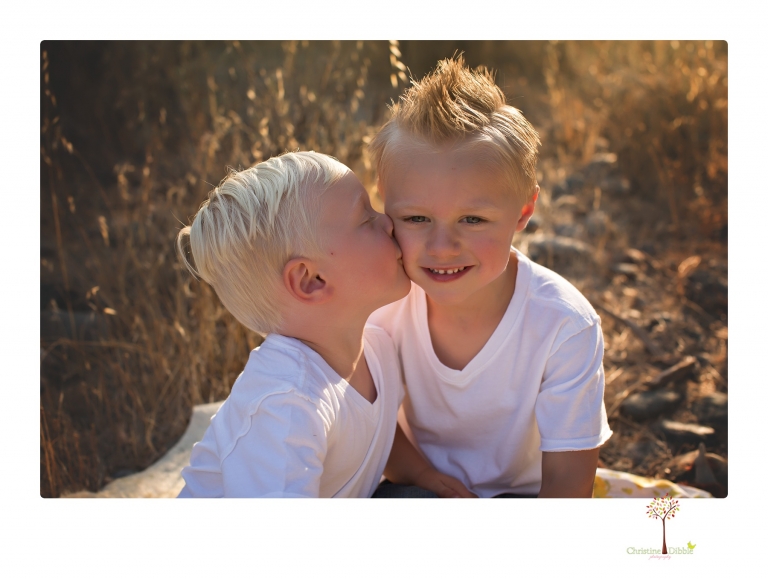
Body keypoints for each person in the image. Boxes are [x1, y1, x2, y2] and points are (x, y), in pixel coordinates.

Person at [368, 56, 613, 498]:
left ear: (523, 211)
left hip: (525, 499)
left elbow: (566, 486)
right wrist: (421, 475)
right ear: (386, 205)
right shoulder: (378, 305)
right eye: (418, 217)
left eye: (473, 220)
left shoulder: (563, 325)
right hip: (420, 485)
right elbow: (368, 416)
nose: (442, 247)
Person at [175, 151, 472, 497]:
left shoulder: (375, 345)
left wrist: (421, 474)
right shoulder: (285, 405)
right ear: (311, 280)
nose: (388, 222)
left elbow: (373, 429)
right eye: (365, 219)